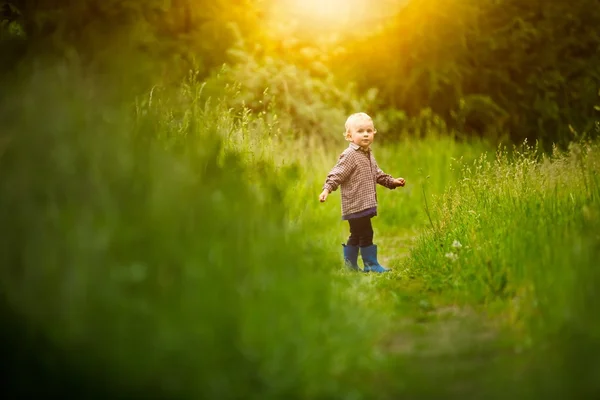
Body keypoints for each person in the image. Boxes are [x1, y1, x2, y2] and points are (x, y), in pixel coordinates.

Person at [319, 112, 405, 273]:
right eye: (360, 131)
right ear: (350, 136)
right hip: (356, 204)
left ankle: (350, 266)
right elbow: (337, 173)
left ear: (374, 133)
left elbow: (377, 174)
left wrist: (391, 182)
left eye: (369, 130)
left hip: (364, 203)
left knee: (357, 234)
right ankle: (370, 265)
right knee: (365, 232)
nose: (365, 134)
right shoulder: (350, 154)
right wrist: (327, 189)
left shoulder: (368, 153)